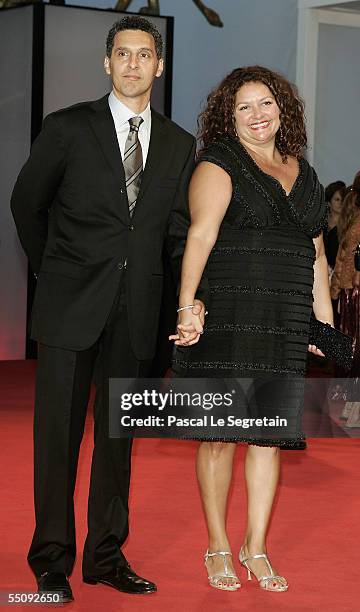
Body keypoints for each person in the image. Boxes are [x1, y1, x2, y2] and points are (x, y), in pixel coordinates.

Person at [11, 16, 206, 602]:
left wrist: (182, 303)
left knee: (118, 443)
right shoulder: (67, 128)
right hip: (70, 309)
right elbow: (27, 205)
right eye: (121, 54)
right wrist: (56, 272)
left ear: (159, 66)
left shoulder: (178, 144)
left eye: (143, 55)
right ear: (107, 63)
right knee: (58, 440)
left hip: (138, 313)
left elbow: (176, 233)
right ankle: (51, 560)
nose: (131, 64)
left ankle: (104, 556)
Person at [170, 65, 333, 592]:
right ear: (229, 115)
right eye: (244, 107)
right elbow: (200, 236)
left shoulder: (303, 171)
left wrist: (323, 324)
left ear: (282, 108)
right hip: (229, 318)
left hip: (283, 319)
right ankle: (218, 543)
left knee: (267, 437)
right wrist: (187, 306)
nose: (257, 115)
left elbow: (316, 255)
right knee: (218, 436)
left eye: (265, 103)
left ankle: (254, 546)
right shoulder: (219, 164)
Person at [331, 171, 360, 425]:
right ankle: (353, 409)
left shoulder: (356, 224)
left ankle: (353, 409)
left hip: (354, 293)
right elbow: (345, 260)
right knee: (353, 352)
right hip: (352, 293)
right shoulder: (355, 223)